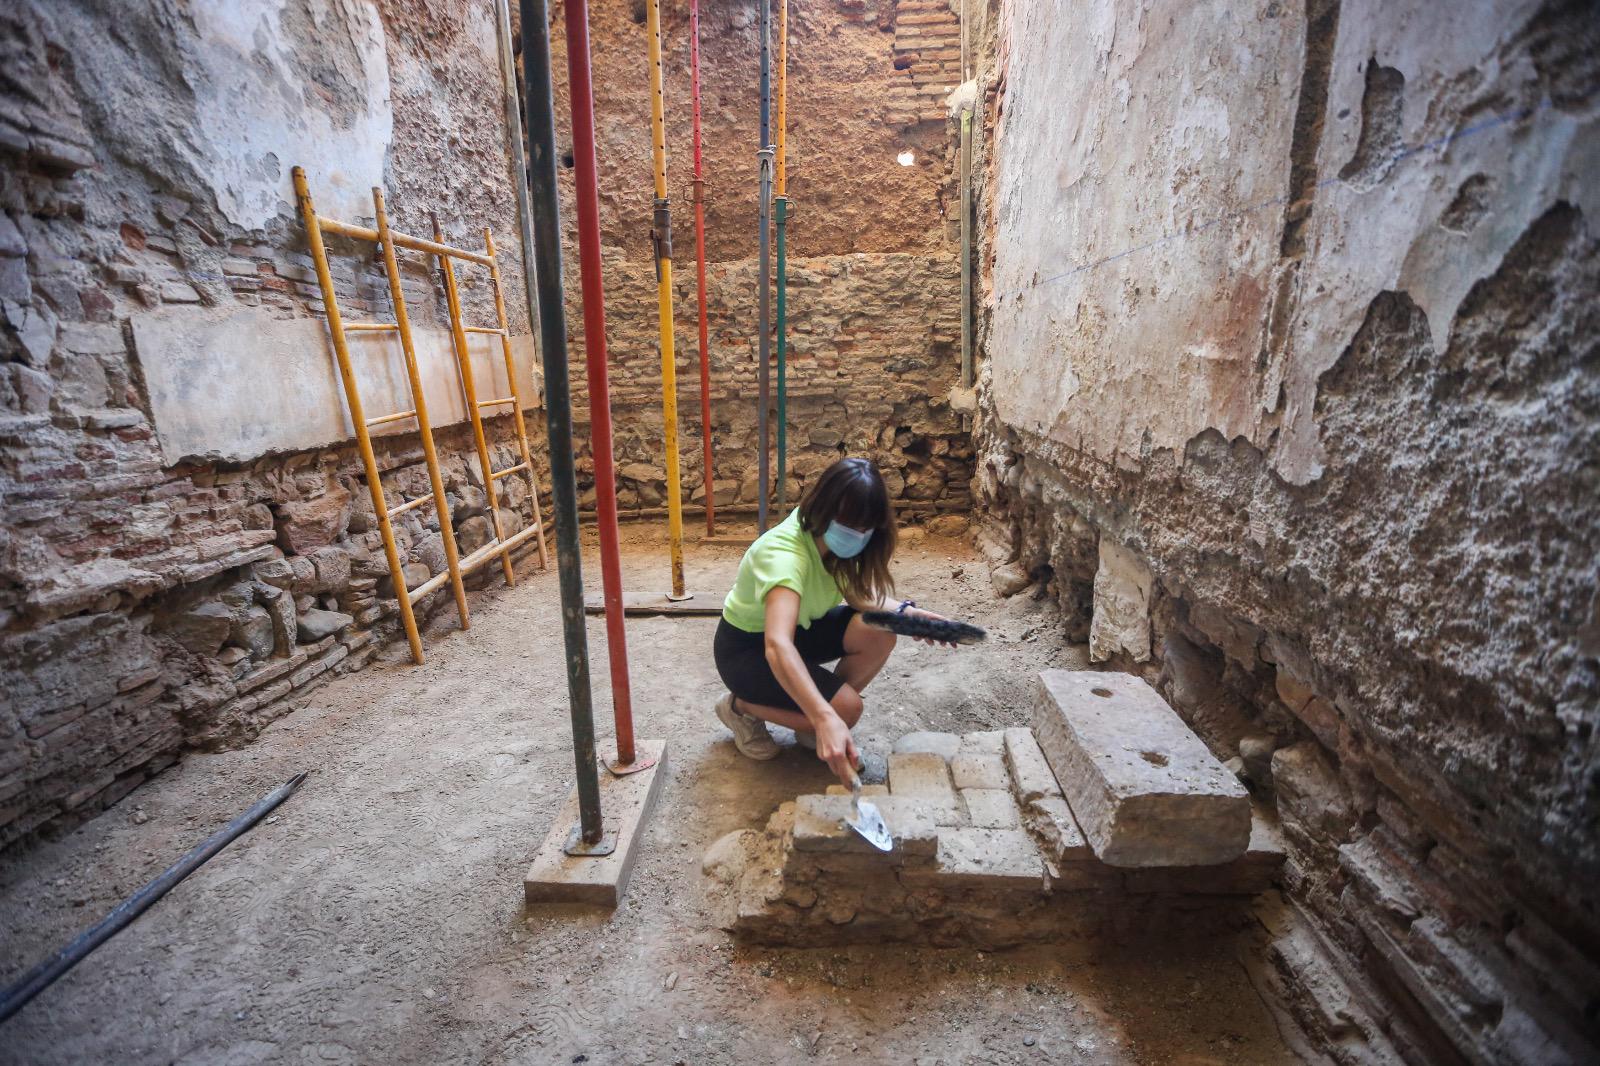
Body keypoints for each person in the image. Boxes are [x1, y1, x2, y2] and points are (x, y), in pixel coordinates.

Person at [712, 456, 958, 785]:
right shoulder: (784, 555)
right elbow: (777, 645)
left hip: (801, 631)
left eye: (866, 528)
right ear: (825, 509)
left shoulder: (832, 543)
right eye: (851, 525)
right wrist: (825, 715)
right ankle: (740, 707)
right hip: (746, 652)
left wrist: (907, 614)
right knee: (847, 709)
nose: (858, 535)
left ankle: (814, 719)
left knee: (881, 629)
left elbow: (859, 597)